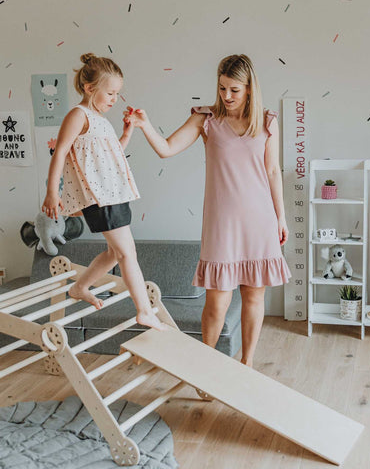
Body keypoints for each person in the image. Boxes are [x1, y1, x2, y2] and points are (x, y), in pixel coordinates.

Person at [124, 54, 291, 366]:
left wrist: (280, 217)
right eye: (222, 88)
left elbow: (272, 172)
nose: (226, 96)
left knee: (254, 297)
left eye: (234, 90)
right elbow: (167, 148)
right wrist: (145, 125)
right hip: (222, 224)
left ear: (250, 89)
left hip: (260, 220)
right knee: (217, 303)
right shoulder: (206, 120)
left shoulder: (268, 122)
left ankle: (247, 364)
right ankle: (207, 365)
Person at [42, 53, 166, 331]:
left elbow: (112, 157)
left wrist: (127, 132)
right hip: (100, 198)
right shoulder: (79, 115)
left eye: (117, 94)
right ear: (89, 89)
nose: (114, 99)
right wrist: (52, 191)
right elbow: (60, 152)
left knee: (114, 253)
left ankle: (80, 287)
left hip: (114, 194)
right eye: (110, 93)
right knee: (127, 253)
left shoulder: (101, 120)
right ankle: (144, 311)